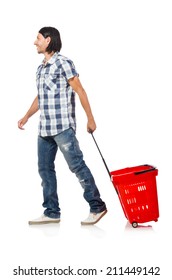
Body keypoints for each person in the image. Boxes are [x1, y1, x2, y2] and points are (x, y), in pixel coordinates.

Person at [18, 27, 107, 225]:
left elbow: (80, 90)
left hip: (63, 128)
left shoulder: (64, 63)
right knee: (45, 169)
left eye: (38, 38)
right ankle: (51, 212)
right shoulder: (41, 68)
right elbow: (41, 98)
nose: (35, 42)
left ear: (48, 40)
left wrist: (90, 119)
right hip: (44, 129)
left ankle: (97, 206)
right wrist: (26, 116)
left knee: (77, 166)